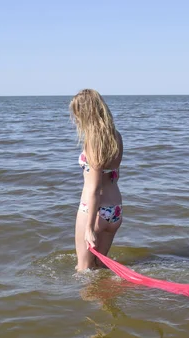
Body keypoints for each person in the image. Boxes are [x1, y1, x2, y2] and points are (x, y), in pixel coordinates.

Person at [70, 89, 123, 271]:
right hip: (115, 211)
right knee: (100, 268)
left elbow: (94, 189)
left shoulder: (92, 142)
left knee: (83, 270)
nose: (76, 119)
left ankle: (85, 299)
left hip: (94, 213)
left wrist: (89, 227)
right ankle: (106, 298)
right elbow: (114, 175)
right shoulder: (116, 137)